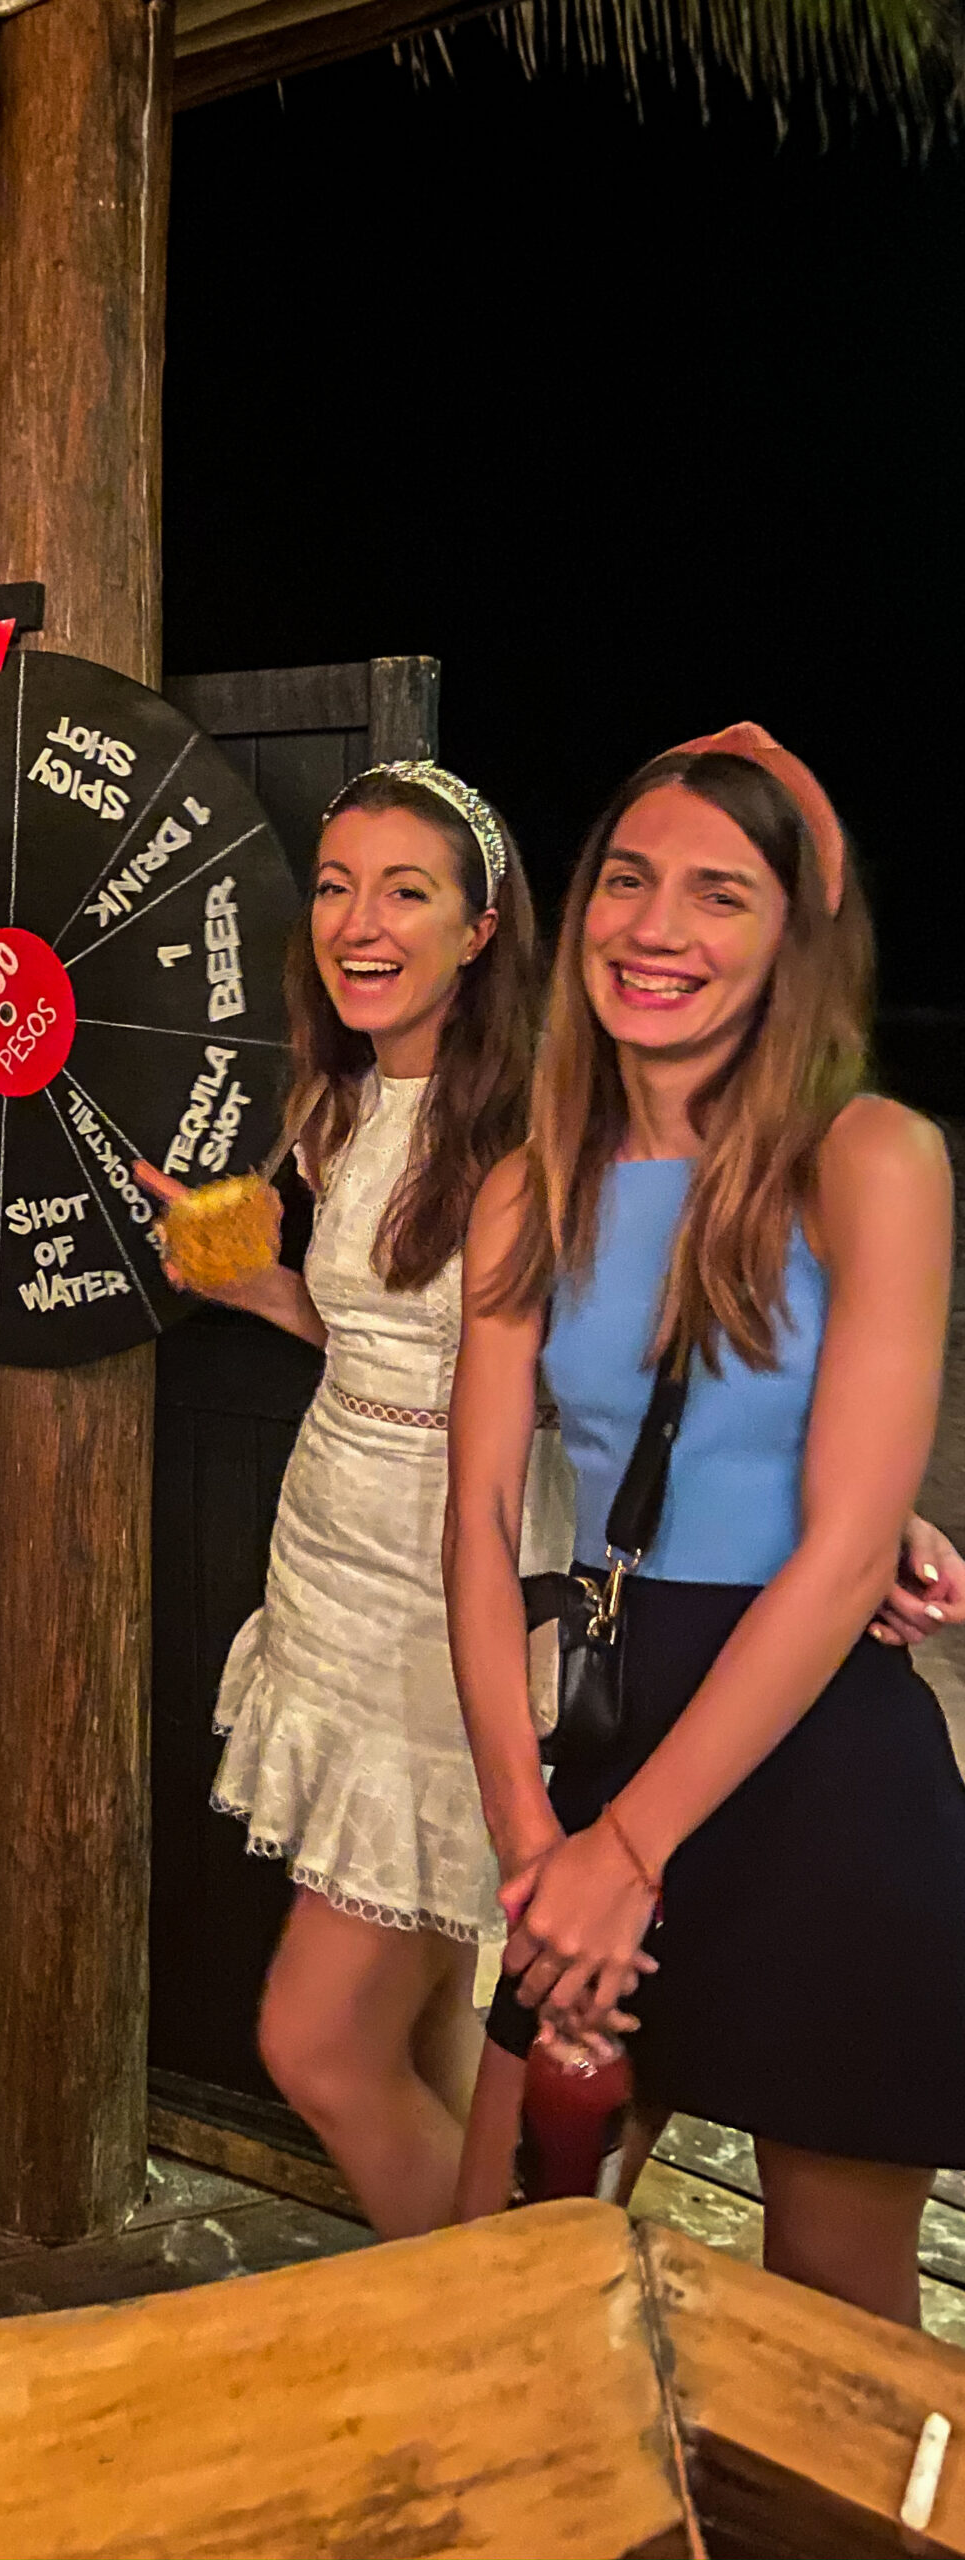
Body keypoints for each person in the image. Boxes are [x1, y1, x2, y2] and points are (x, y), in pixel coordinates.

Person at [446, 724, 965, 2323]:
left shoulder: (871, 1159)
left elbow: (844, 1542)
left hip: (818, 1759)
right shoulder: (529, 1187)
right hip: (608, 1715)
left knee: (829, 2331)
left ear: (795, 941)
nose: (656, 927)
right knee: (508, 2263)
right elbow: (473, 1522)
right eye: (628, 878)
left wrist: (629, 1849)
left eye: (720, 895)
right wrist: (538, 1844)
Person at [138, 762, 577, 2236]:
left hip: (452, 1590)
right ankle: (497, 2299)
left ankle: (479, 2323)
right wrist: (242, 1274)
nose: (360, 921)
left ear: (482, 927)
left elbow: (591, 1379)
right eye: (335, 886)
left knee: (316, 2043)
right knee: (440, 2025)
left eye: (406, 889)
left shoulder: (532, 1132)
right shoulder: (338, 1103)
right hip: (328, 1548)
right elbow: (375, 1332)